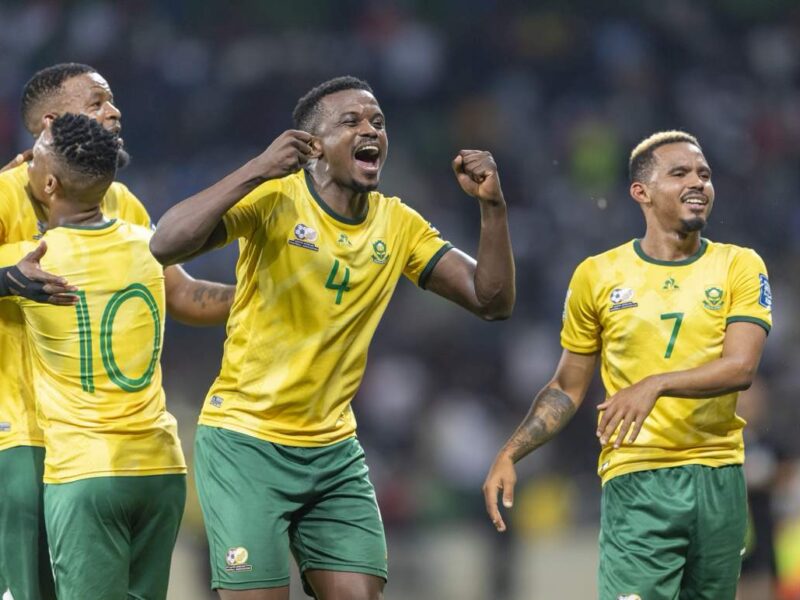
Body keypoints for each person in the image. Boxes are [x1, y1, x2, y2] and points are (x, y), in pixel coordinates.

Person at [149, 75, 515, 599]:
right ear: (313, 146)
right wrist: (257, 168)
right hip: (246, 441)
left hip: (332, 450)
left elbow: (491, 301)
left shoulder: (399, 224)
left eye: (378, 122)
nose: (370, 129)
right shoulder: (274, 199)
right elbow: (165, 243)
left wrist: (492, 208)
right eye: (351, 121)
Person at [483, 130, 772, 600]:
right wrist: (511, 452)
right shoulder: (597, 275)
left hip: (720, 474)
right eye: (679, 173)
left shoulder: (739, 265)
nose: (698, 183)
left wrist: (655, 384)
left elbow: (741, 367)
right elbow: (567, 386)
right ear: (642, 192)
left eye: (704, 174)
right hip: (638, 477)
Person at [0, 62, 234, 600]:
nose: (114, 111)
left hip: (107, 453)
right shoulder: (7, 194)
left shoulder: (121, 202)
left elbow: (178, 293)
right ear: (51, 124)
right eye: (98, 102)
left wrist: (262, 298)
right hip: (22, 439)